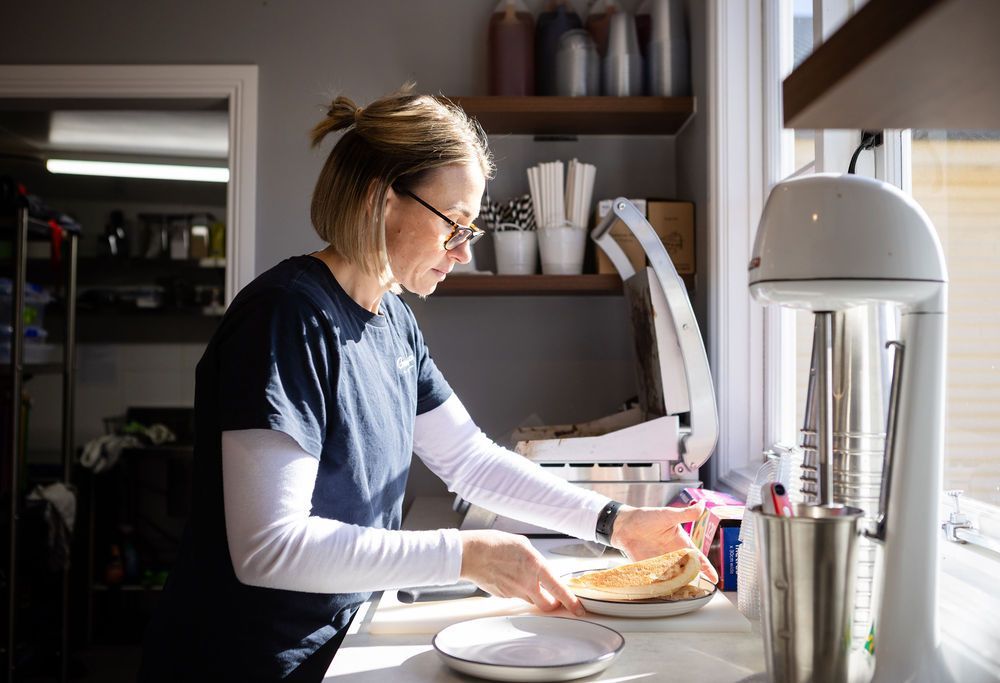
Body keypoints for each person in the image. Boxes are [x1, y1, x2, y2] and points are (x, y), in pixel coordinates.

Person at [138, 85, 715, 681]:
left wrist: (616, 523)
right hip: (246, 661)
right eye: (454, 225)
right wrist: (463, 555)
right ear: (381, 199)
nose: (462, 253)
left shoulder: (393, 322)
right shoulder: (284, 318)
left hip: (331, 645)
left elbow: (471, 462)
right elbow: (270, 547)